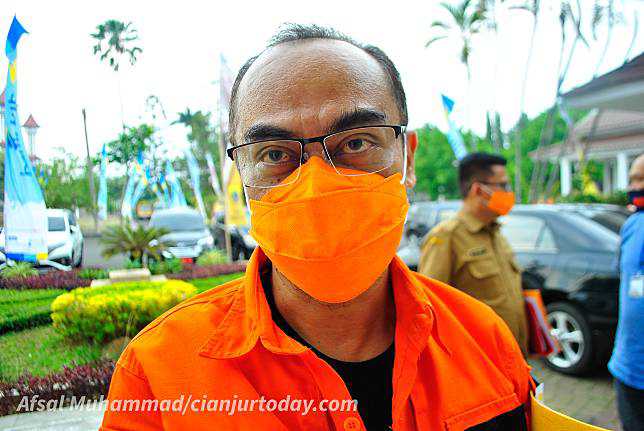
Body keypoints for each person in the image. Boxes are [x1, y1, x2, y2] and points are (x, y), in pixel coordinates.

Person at [101, 25, 533, 431]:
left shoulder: (485, 339)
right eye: (273, 153)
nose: (316, 185)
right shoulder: (157, 376)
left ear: (408, 158)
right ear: (242, 175)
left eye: (356, 142)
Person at [418, 153, 528, 356]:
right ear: (478, 189)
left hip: (514, 358)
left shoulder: (495, 232)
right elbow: (430, 311)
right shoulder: (446, 237)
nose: (509, 193)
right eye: (503, 186)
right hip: (479, 361)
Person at [608, 153, 644, 431]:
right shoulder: (632, 224)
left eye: (642, 178)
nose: (635, 185)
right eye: (633, 178)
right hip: (629, 366)